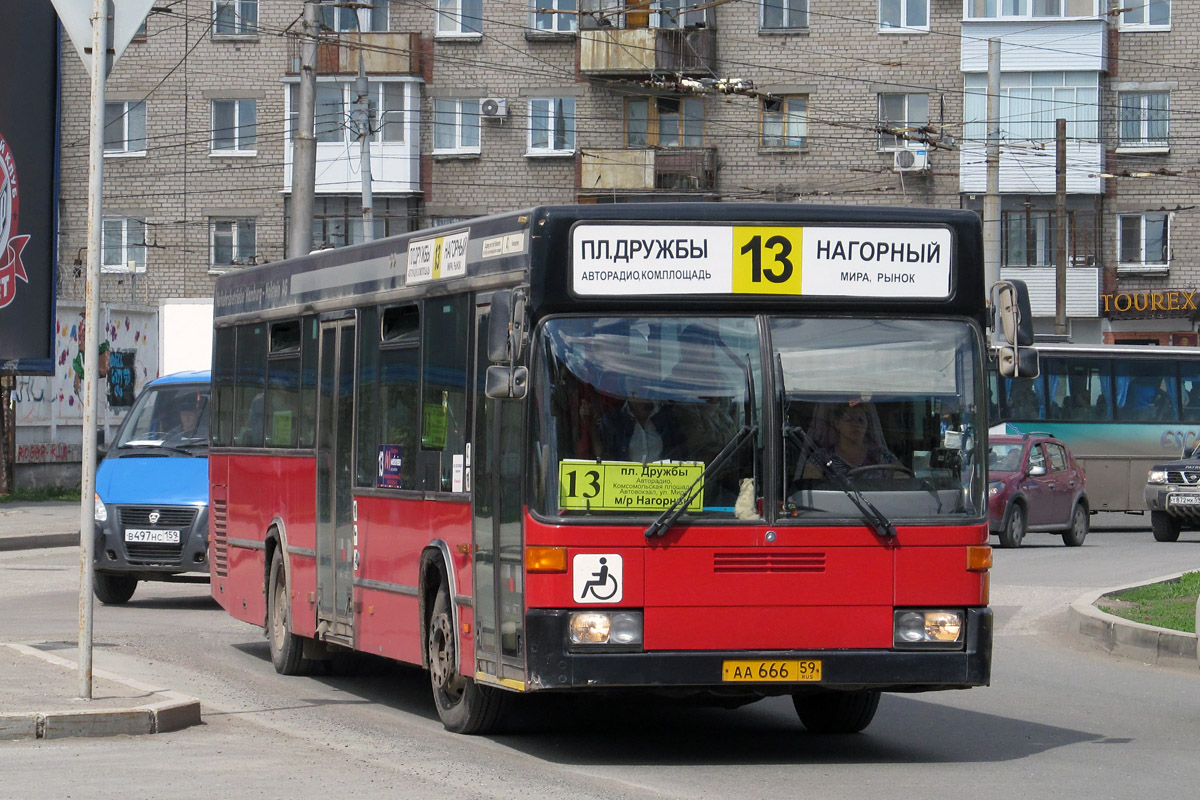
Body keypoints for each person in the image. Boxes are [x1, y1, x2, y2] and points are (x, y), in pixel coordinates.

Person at [801, 400, 899, 480]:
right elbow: (810, 488)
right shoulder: (820, 458)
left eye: (860, 420)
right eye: (849, 420)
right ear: (836, 424)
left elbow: (903, 480)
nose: (856, 425)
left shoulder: (882, 455)